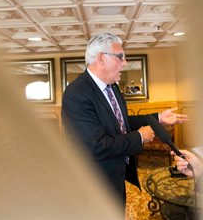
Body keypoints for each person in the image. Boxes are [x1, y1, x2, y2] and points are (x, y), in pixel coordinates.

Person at [62, 32, 188, 207]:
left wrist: (158, 118)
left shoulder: (112, 86)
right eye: (120, 57)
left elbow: (121, 122)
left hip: (116, 175)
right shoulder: (76, 94)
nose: (125, 63)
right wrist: (140, 137)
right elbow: (96, 146)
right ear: (101, 58)